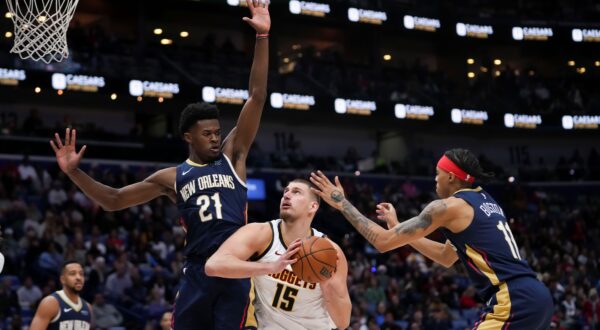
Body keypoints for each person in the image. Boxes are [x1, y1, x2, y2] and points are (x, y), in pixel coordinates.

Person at [49, 0, 271, 328]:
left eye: (217, 132)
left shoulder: (232, 156)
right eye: (206, 133)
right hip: (197, 272)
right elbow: (113, 200)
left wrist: (263, 37)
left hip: (235, 268)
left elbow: (256, 95)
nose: (214, 138)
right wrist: (73, 172)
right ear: (187, 137)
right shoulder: (172, 177)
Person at [310, 148, 554, 330]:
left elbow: (382, 242)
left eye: (437, 174)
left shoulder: (448, 207)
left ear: (450, 176)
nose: (434, 179)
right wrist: (397, 226)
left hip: (513, 298)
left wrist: (342, 203)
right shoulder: (486, 201)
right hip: (537, 296)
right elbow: (446, 257)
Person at [205, 179, 351, 330]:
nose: (287, 196)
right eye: (286, 191)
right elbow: (213, 265)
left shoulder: (330, 252)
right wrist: (271, 267)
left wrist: (326, 284)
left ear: (312, 206)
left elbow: (343, 322)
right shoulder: (261, 234)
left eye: (296, 192)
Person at [30, 261, 93, 330]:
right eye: (72, 274)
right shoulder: (51, 303)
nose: (78, 277)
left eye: (81, 274)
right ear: (63, 279)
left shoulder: (88, 307)